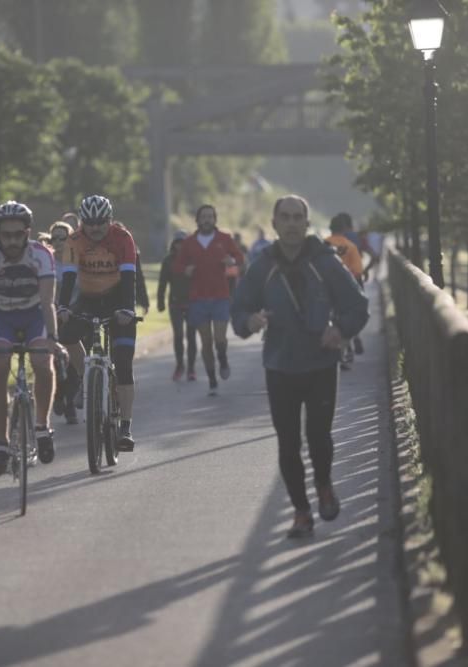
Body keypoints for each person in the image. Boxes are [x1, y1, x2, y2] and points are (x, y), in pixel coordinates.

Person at [231, 195, 369, 539]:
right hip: (279, 365)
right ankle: (301, 512)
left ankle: (323, 485)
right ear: (275, 223)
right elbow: (238, 311)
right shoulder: (262, 265)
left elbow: (357, 306)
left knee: (319, 436)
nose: (292, 223)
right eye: (285, 217)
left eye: (298, 217)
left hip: (321, 364)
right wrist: (251, 319)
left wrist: (340, 330)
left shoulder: (325, 262)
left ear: (307, 224)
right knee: (288, 443)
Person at [0, 201, 61, 474]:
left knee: (42, 363)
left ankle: (42, 427)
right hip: (2, 318)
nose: (12, 241)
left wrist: (54, 339)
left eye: (18, 235)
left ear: (28, 232)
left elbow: (48, 303)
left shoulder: (42, 256)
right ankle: (1, 442)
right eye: (6, 235)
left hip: (34, 315)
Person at [57, 194, 141, 452]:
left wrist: (128, 308)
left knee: (124, 363)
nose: (94, 228)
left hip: (118, 299)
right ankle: (86, 378)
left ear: (110, 220)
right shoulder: (75, 240)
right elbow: (69, 277)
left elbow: (129, 277)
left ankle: (125, 426)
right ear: (82, 222)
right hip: (88, 299)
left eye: (100, 223)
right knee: (67, 334)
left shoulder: (122, 238)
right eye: (89, 223)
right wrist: (62, 307)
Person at [173, 204, 245, 396]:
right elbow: (177, 266)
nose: (206, 220)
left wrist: (232, 261)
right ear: (197, 220)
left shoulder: (224, 239)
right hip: (198, 298)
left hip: (220, 296)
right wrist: (185, 270)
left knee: (220, 338)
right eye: (203, 217)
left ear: (215, 219)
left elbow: (240, 257)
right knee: (206, 342)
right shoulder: (189, 242)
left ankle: (222, 358)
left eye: (210, 217)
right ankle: (212, 379)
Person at [326, 213, 368, 367]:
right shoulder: (350, 246)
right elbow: (357, 271)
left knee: (330, 318)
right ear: (344, 229)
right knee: (347, 318)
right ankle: (345, 350)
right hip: (346, 289)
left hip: (327, 290)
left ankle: (342, 350)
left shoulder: (323, 245)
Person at [47, 220, 78, 424]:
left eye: (63, 238)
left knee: (74, 364)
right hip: (52, 316)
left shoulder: (75, 260)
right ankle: (58, 396)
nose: (58, 242)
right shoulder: (46, 261)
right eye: (54, 238)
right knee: (57, 363)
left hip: (74, 314)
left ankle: (70, 406)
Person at [158, 231, 197, 382]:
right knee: (179, 335)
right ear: (174, 244)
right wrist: (160, 301)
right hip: (175, 302)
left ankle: (191, 368)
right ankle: (180, 365)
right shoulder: (168, 261)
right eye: (177, 243)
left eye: (183, 243)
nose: (180, 246)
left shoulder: (193, 259)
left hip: (193, 303)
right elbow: (162, 282)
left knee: (191, 336)